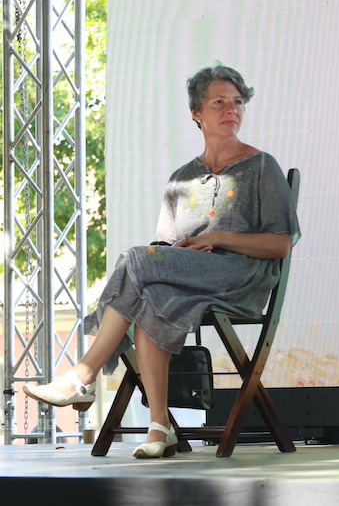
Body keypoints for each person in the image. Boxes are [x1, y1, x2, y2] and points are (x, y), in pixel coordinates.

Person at [24, 64, 300, 459]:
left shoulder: (261, 167)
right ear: (196, 113)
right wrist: (179, 252)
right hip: (188, 278)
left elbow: (280, 245)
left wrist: (217, 237)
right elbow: (165, 247)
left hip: (241, 277)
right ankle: (160, 426)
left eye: (238, 102)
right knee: (151, 296)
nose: (232, 110)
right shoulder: (181, 179)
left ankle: (83, 375)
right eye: (219, 102)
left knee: (135, 259)